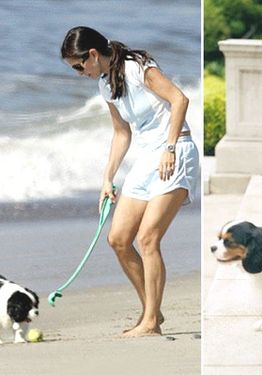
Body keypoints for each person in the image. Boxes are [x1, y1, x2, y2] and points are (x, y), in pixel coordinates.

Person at [61, 26, 199, 336]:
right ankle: (153, 313)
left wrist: (170, 147)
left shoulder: (139, 68)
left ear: (93, 54)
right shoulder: (104, 85)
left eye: (78, 66)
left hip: (175, 153)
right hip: (147, 159)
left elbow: (179, 100)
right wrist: (107, 178)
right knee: (119, 239)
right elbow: (122, 133)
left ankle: (150, 322)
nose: (78, 73)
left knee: (148, 238)